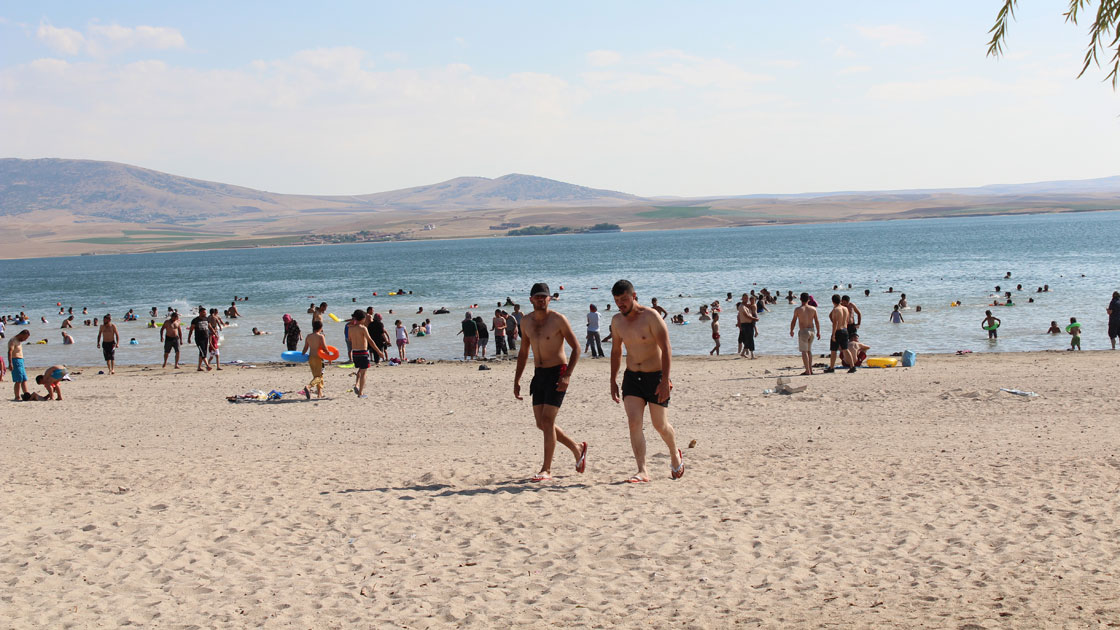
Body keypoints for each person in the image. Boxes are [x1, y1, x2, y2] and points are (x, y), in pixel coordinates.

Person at [609, 280, 683, 483]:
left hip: (655, 376)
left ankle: (674, 453)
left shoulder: (651, 316)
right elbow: (616, 351)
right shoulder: (617, 321)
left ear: (634, 296)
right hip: (632, 377)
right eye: (617, 300)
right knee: (634, 422)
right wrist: (613, 379)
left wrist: (665, 380)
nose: (621, 304)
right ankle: (642, 470)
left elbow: (666, 349)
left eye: (624, 299)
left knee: (660, 425)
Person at [513, 282, 587, 482]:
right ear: (531, 299)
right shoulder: (526, 322)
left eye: (543, 296)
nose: (540, 299)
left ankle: (546, 469)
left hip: (558, 372)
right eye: (536, 296)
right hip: (539, 374)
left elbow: (577, 348)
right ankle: (576, 448)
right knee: (541, 423)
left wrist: (567, 375)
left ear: (549, 298)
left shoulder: (558, 320)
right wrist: (517, 379)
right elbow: (523, 352)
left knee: (547, 421)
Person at [348, 310, 384, 397]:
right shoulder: (363, 328)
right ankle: (360, 393)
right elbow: (370, 341)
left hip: (355, 353)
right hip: (363, 352)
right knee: (364, 372)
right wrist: (379, 352)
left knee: (361, 369)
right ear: (363, 319)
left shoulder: (350, 328)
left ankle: (356, 385)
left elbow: (349, 339)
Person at [789, 292, 821, 375]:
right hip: (812, 330)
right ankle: (810, 369)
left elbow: (794, 321)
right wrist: (818, 332)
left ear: (800, 299)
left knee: (804, 351)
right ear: (809, 299)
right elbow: (817, 321)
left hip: (803, 331)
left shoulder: (798, 309)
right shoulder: (813, 309)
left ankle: (807, 370)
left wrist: (791, 330)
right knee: (809, 351)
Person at [824, 295, 854, 374]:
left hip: (838, 331)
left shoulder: (836, 309)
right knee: (845, 349)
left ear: (832, 301)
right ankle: (852, 366)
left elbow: (835, 323)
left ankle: (831, 367)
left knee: (833, 350)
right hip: (845, 330)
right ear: (840, 300)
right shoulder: (845, 309)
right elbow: (847, 320)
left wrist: (833, 334)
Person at [302, 320, 327, 398]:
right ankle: (308, 386)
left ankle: (320, 394)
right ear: (321, 328)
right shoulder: (321, 336)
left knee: (316, 376)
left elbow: (305, 348)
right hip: (319, 358)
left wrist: (302, 355)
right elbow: (324, 347)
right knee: (319, 376)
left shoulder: (308, 336)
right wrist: (329, 356)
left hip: (311, 358)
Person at [187, 307, 213, 372]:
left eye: (205, 312)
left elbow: (210, 327)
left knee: (203, 353)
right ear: (200, 312)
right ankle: (207, 366)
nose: (205, 313)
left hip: (206, 338)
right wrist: (189, 338)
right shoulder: (195, 320)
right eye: (204, 312)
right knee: (203, 353)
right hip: (199, 339)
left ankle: (199, 367)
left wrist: (215, 333)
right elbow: (191, 330)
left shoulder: (206, 319)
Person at [8, 329, 30, 400]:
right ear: (21, 335)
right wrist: (10, 363)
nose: (25, 340)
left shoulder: (19, 341)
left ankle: (26, 394)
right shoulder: (13, 340)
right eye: (25, 338)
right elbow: (10, 352)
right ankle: (17, 396)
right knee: (18, 380)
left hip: (21, 360)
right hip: (15, 360)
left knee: (24, 379)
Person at [737, 294, 758, 359]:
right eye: (745, 298)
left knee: (748, 339)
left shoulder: (745, 305)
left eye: (747, 298)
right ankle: (752, 355)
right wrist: (755, 319)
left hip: (748, 324)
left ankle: (743, 353)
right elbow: (746, 315)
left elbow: (751, 307)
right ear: (742, 299)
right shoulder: (742, 306)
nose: (746, 299)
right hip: (746, 324)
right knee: (750, 339)